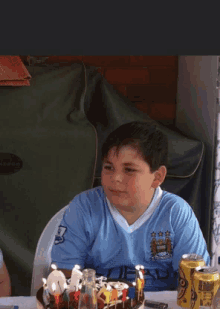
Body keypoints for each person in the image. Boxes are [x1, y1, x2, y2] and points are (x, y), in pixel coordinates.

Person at [51, 122, 210, 291]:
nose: (116, 178)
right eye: (108, 167)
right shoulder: (84, 207)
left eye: (129, 170)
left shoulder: (176, 213)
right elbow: (65, 275)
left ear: (157, 177)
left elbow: (198, 281)